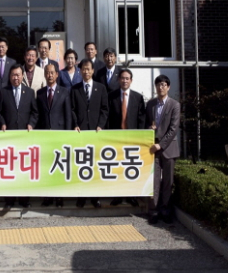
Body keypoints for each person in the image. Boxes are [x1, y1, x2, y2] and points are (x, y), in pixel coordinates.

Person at [0, 64, 38, 209]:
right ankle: (9, 200)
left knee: (24, 169)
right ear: (9, 76)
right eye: (13, 75)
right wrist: (2, 123)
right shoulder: (3, 92)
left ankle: (24, 199)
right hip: (9, 137)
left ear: (22, 76)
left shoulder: (29, 92)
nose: (16, 78)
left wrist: (31, 124)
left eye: (18, 75)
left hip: (25, 138)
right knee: (10, 169)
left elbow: (35, 112)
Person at [71, 58, 108, 209]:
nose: (86, 71)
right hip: (81, 132)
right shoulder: (75, 89)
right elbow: (72, 109)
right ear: (80, 71)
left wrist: (100, 125)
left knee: (94, 165)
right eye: (83, 69)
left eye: (88, 69)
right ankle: (81, 196)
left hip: (95, 132)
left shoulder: (101, 88)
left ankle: (95, 197)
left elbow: (105, 109)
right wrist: (75, 124)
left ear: (93, 71)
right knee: (81, 165)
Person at [107, 69, 146, 207]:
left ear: (131, 80)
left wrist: (140, 137)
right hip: (116, 138)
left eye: (127, 78)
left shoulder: (138, 97)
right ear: (118, 80)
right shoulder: (111, 96)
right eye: (122, 78)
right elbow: (108, 117)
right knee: (117, 168)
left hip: (132, 139)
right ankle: (117, 196)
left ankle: (131, 196)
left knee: (130, 168)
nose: (124, 81)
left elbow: (141, 119)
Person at [146, 74, 180, 224]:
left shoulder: (174, 105)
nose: (161, 87)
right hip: (153, 148)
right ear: (156, 87)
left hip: (168, 148)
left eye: (164, 85)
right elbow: (146, 124)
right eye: (159, 84)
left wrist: (161, 144)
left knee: (168, 181)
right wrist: (149, 128)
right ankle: (153, 210)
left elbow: (173, 129)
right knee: (153, 181)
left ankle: (165, 210)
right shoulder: (150, 104)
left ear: (168, 87)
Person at [37, 63, 72, 207]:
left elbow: (68, 115)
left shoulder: (64, 92)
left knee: (59, 167)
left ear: (57, 74)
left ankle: (59, 197)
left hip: (60, 135)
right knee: (47, 167)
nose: (50, 75)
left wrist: (67, 135)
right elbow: (38, 115)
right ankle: (48, 196)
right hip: (45, 136)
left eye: (52, 73)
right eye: (47, 72)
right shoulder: (40, 93)